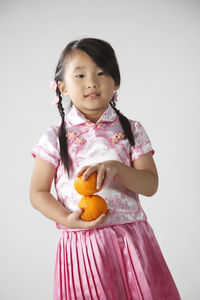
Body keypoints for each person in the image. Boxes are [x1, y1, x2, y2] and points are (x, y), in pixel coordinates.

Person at [30, 38, 181, 300]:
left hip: (132, 240)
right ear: (62, 86)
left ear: (116, 82)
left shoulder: (131, 130)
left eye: (102, 72)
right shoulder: (55, 136)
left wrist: (117, 168)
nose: (92, 82)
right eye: (80, 75)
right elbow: (37, 192)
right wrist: (67, 220)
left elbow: (150, 185)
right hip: (82, 243)